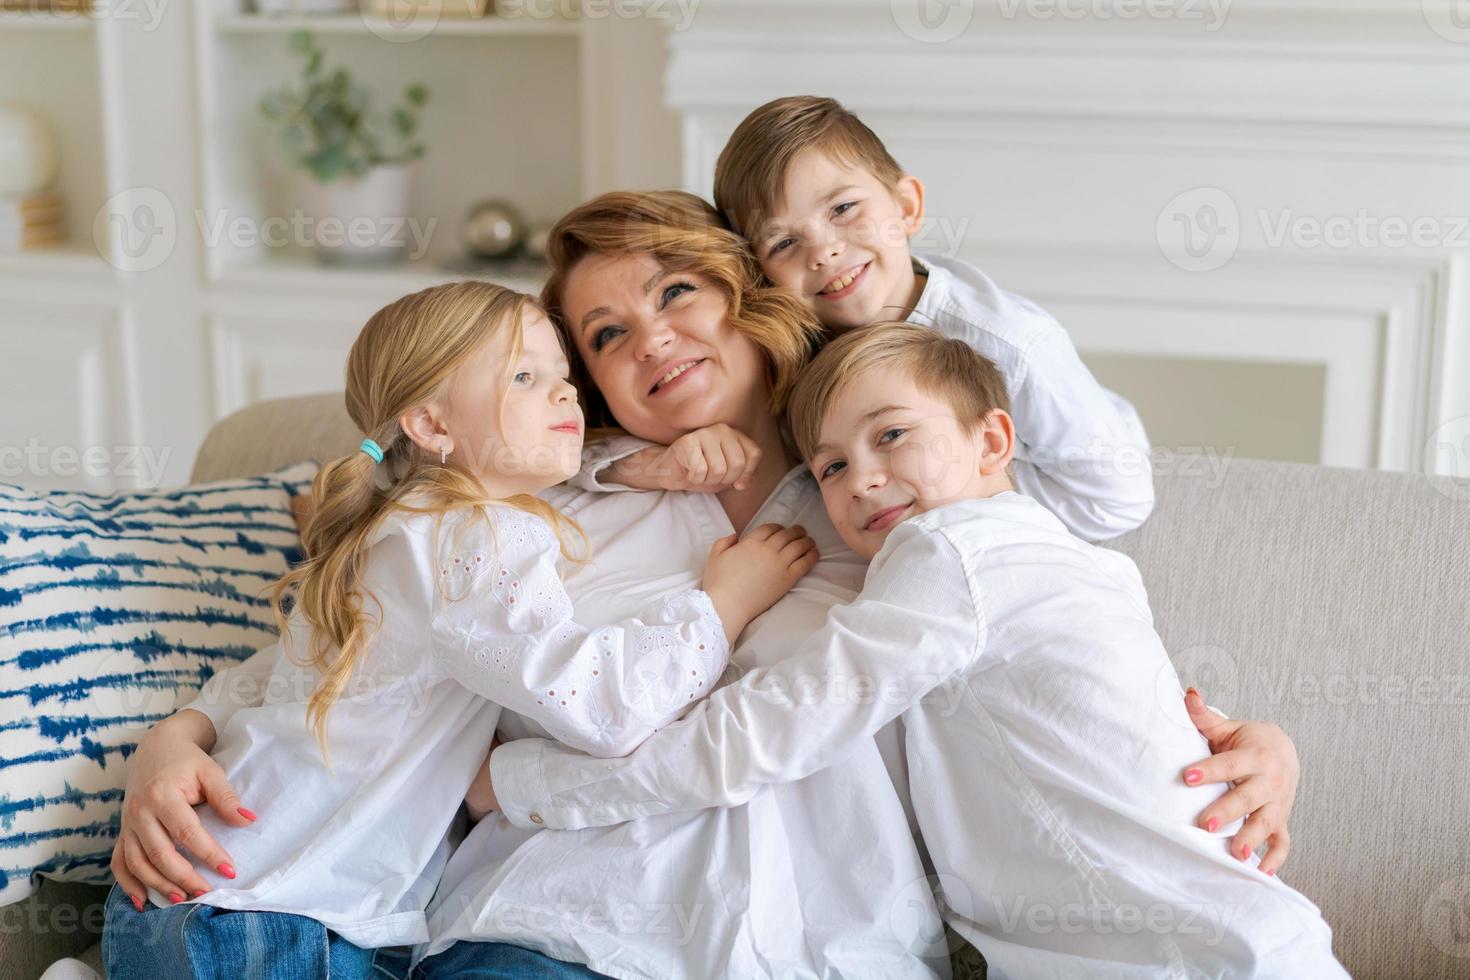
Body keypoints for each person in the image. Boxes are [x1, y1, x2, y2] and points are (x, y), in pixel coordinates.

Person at [112, 192, 1305, 980]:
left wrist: (1258, 747)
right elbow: (361, 641)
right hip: (563, 922)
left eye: (676, 294)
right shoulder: (534, 499)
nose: (652, 342)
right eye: (606, 333)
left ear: (748, 298)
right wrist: (186, 727)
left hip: (824, 942)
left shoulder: (899, 494)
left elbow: (1070, 646)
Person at [483, 323, 1346, 978]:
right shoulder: (1060, 563)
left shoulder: (950, 556)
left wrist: (523, 784)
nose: (858, 479)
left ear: (993, 441)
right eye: (828, 467)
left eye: (891, 437)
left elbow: (755, 736)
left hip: (1198, 954)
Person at [100, 280, 814, 979]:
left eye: (563, 375)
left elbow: (274, 675)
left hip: (221, 898)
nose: (565, 393)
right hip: (267, 910)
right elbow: (599, 706)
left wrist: (181, 728)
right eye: (527, 376)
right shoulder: (473, 537)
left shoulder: (401, 529)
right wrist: (722, 605)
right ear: (434, 426)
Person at [591, 95, 1155, 544]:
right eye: (784, 241)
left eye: (843, 210)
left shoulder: (1012, 344)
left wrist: (946, 490)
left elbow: (1116, 498)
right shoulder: (796, 343)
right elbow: (580, 452)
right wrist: (657, 463)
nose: (823, 252)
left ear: (906, 206)